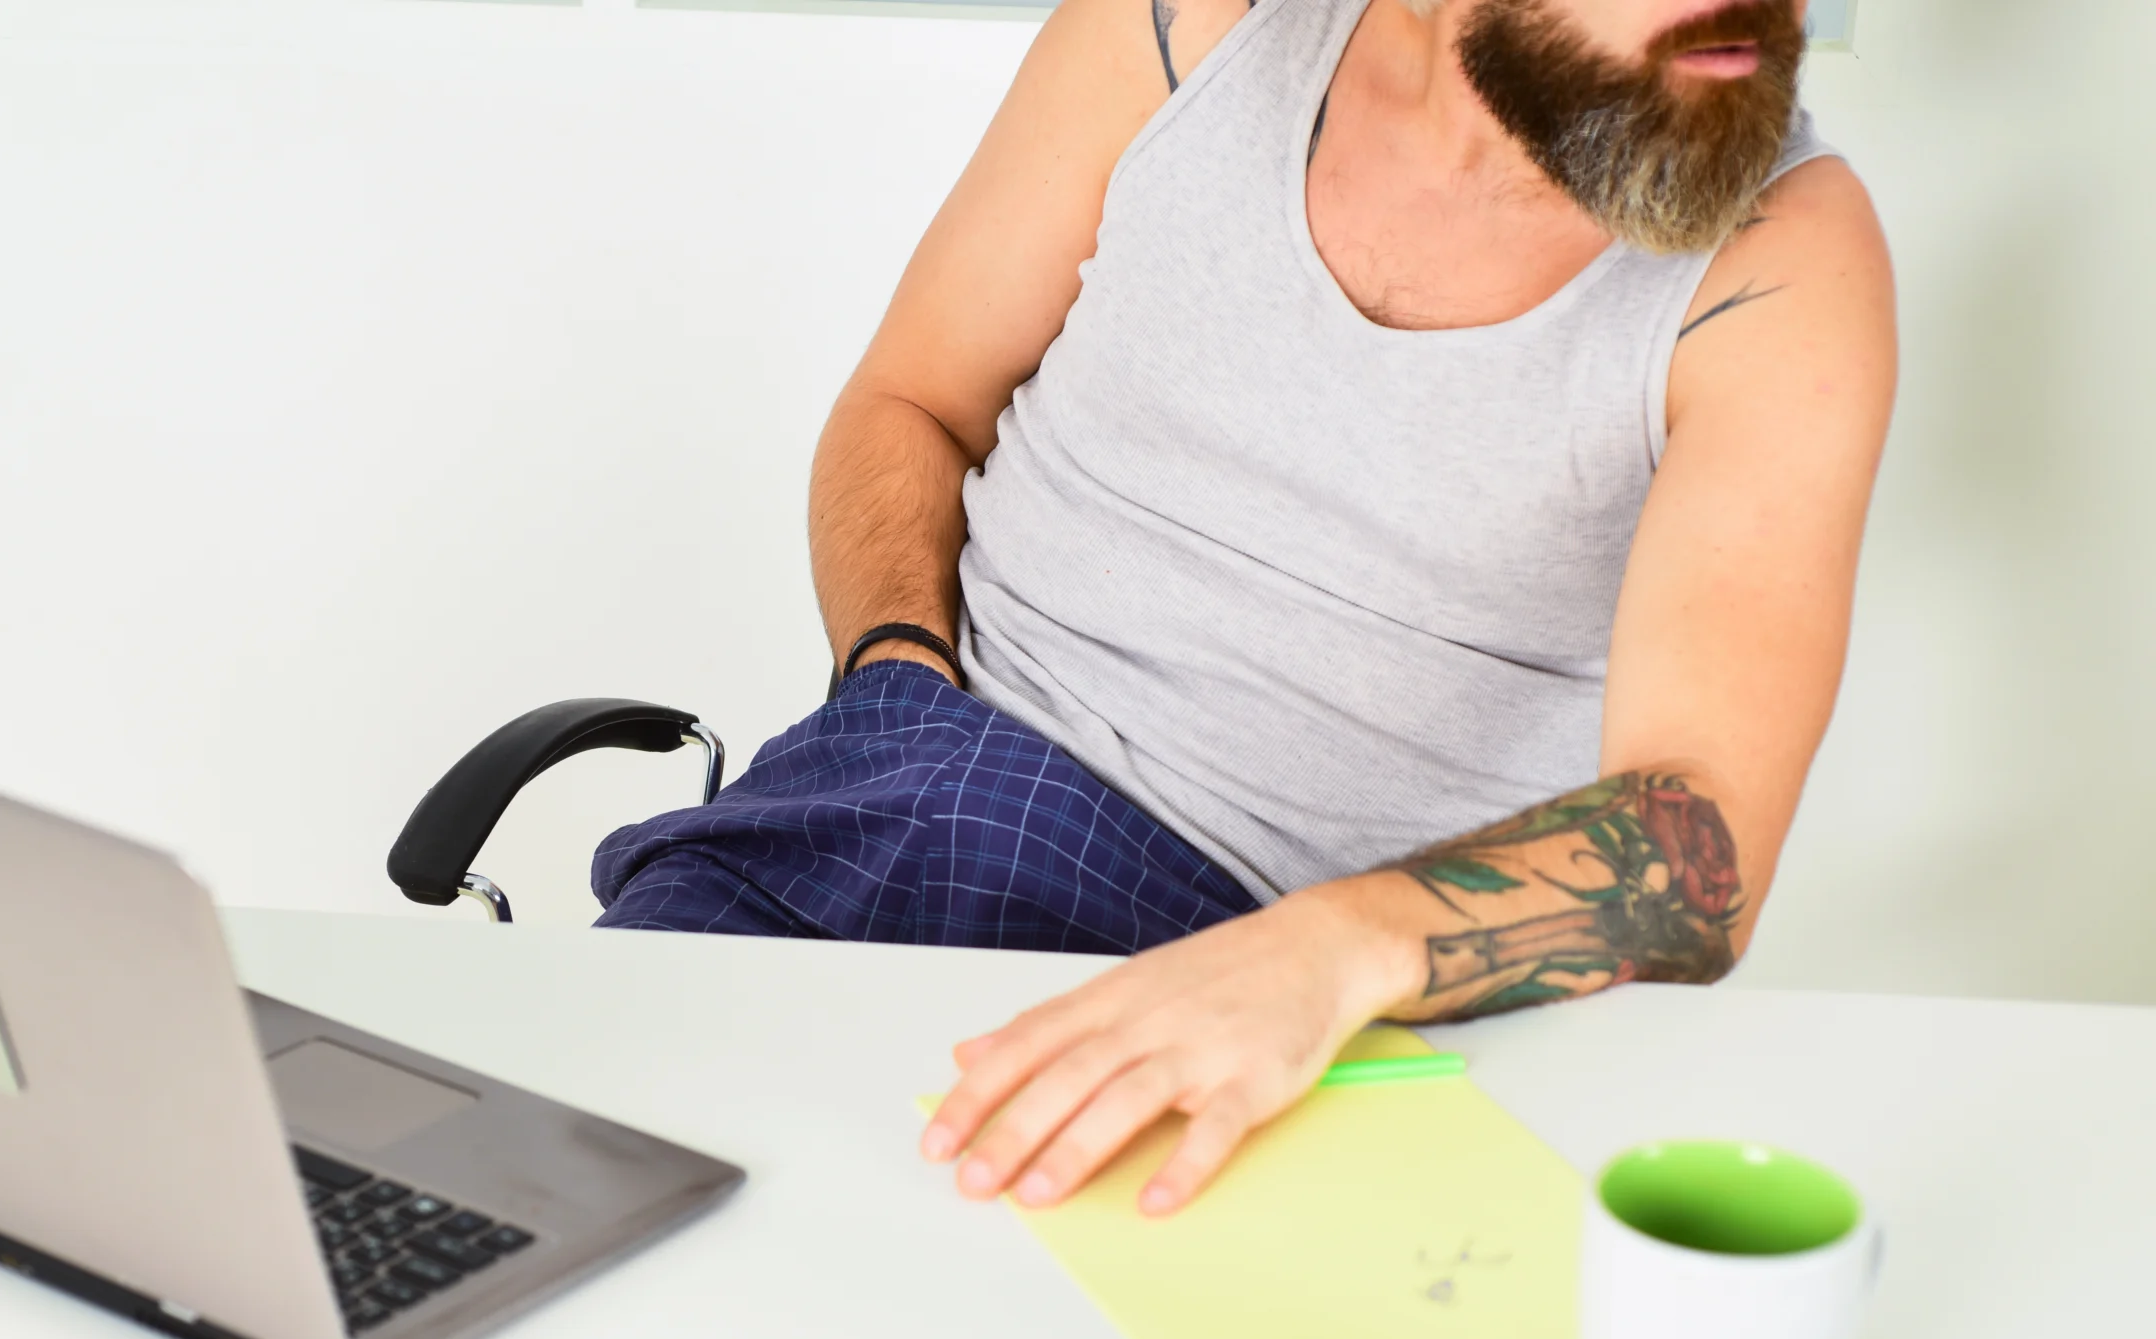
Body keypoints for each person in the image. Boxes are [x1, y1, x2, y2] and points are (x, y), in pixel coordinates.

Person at [592, 0, 1896, 1215]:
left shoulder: (1789, 255)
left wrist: (1331, 952)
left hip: (1294, 981)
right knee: (574, 1194)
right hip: (904, 785)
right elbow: (910, 404)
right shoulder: (1188, 26)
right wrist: (894, 679)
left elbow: (1703, 847)